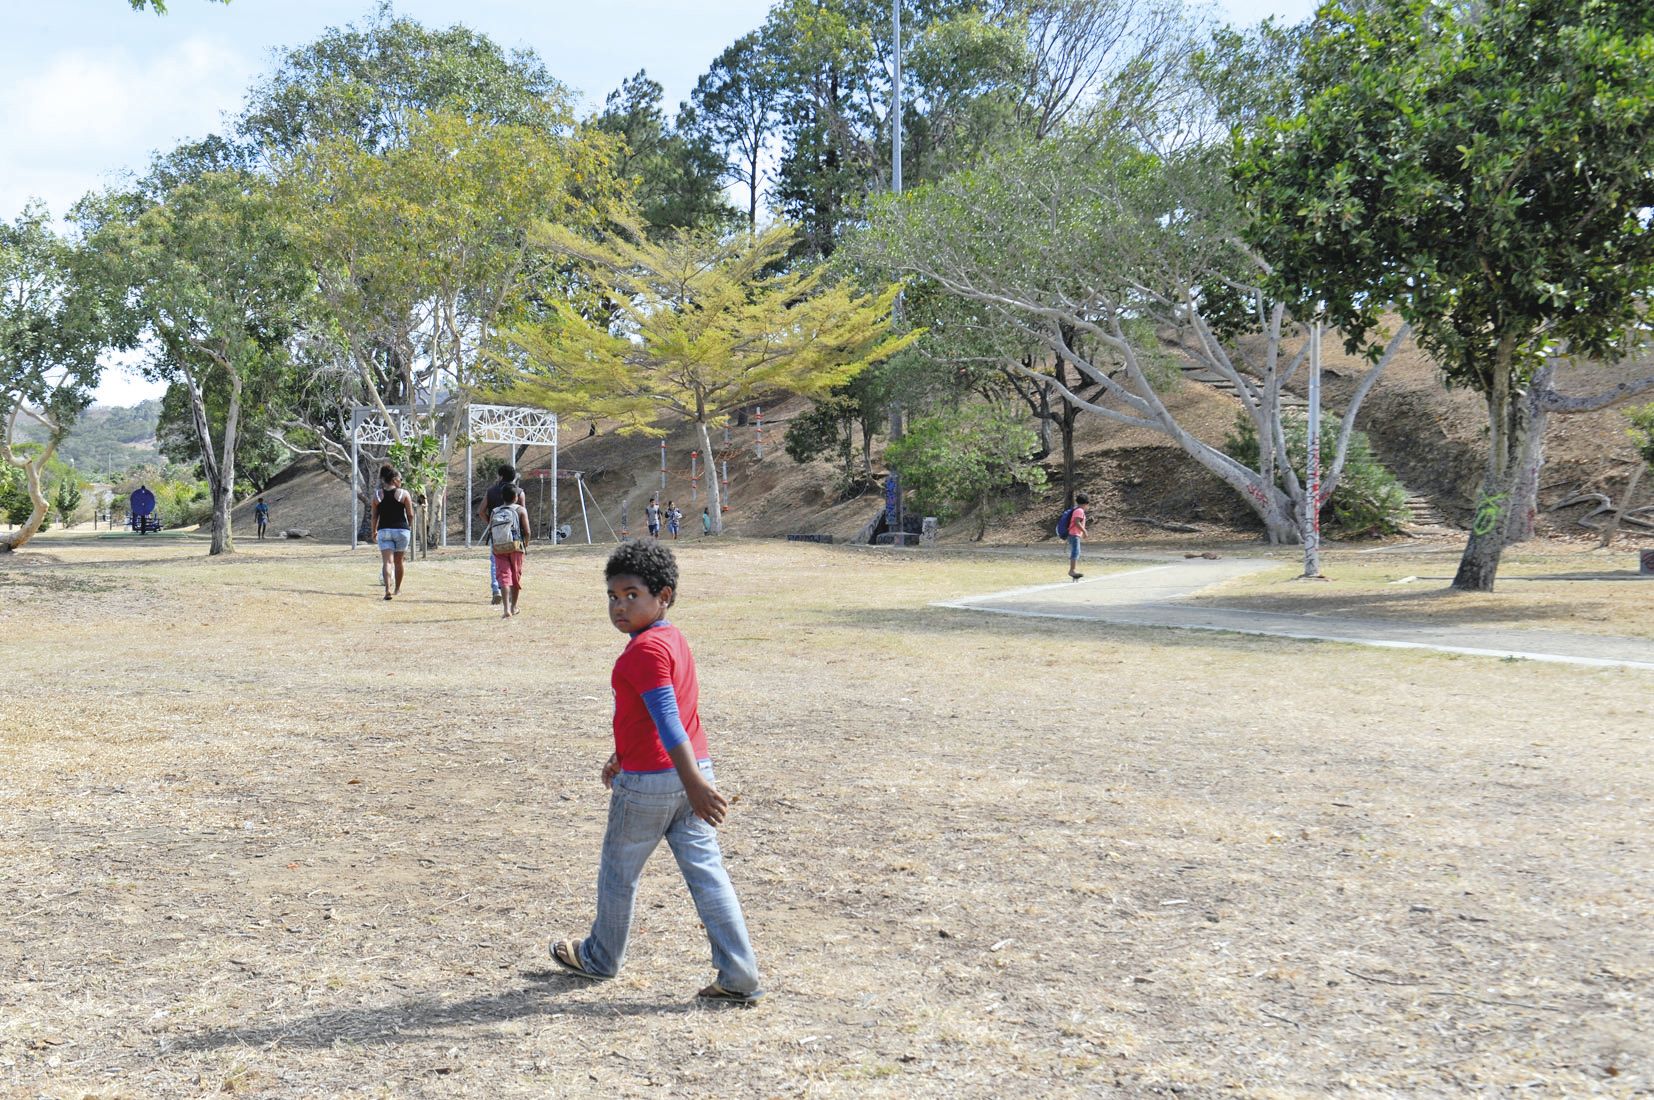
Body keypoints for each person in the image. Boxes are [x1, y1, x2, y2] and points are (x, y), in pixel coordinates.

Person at [548, 540, 763, 1006]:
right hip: (689, 775)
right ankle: (740, 973)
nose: (619, 606)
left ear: (664, 595)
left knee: (617, 873)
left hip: (659, 783)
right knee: (708, 875)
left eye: (632, 595)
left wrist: (690, 783)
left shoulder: (641, 653)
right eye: (612, 596)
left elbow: (667, 719)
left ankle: (601, 957)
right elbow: (651, 717)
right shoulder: (673, 639)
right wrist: (623, 755)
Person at [480, 465, 527, 606]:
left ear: (500, 476)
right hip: (515, 537)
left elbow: (481, 511)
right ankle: (513, 597)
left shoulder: (491, 491)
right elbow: (523, 513)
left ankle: (497, 590)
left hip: (497, 537)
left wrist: (492, 524)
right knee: (515, 567)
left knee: (496, 564)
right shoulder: (519, 492)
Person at [488, 486, 532, 619]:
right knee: (515, 576)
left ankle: (506, 608)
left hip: (499, 548)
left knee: (504, 578)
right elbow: (527, 531)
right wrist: (526, 544)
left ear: (502, 496)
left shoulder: (495, 511)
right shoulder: (520, 510)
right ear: (516, 497)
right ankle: (514, 607)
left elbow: (491, 530)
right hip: (516, 547)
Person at [370, 465, 414, 600]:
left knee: (387, 562)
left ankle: (387, 589)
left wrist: (374, 531)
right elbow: (410, 514)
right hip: (401, 530)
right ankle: (397, 589)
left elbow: (374, 516)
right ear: (395, 479)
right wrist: (409, 527)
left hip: (384, 531)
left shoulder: (377, 495)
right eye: (400, 479)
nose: (401, 481)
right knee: (399, 562)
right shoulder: (404, 494)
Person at [1065, 491, 1089, 581]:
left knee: (1076, 551)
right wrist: (1084, 531)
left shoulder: (1077, 510)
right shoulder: (1079, 511)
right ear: (1086, 503)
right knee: (1075, 552)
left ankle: (1073, 570)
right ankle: (1072, 570)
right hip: (1074, 534)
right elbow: (1076, 522)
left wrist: (1082, 533)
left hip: (1075, 534)